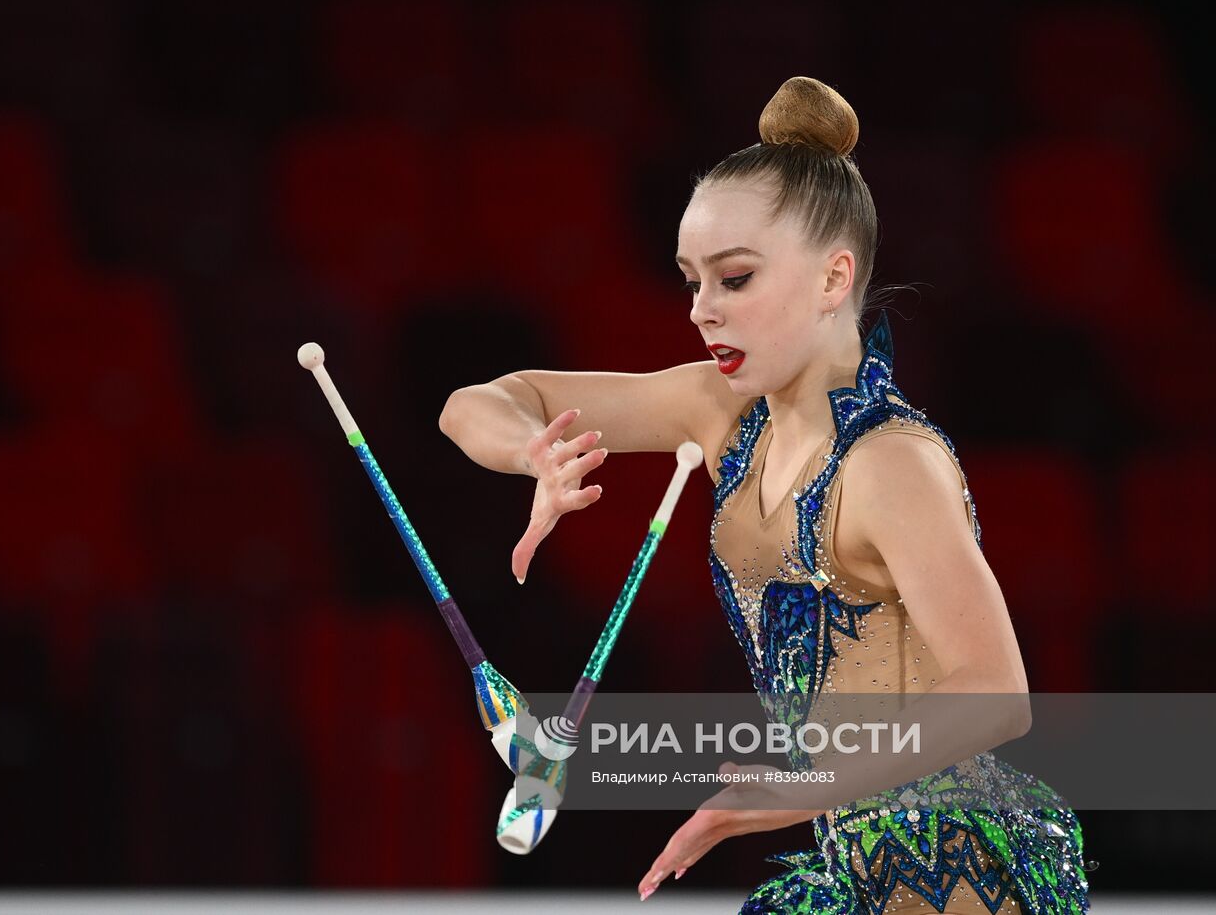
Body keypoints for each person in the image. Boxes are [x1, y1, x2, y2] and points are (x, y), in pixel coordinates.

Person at [439, 77, 1090, 913]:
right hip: (848, 865)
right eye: (691, 282)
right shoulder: (722, 412)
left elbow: (998, 694)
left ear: (832, 278)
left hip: (960, 866)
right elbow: (481, 401)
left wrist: (801, 787)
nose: (701, 311)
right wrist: (533, 450)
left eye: (735, 279)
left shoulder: (889, 462)